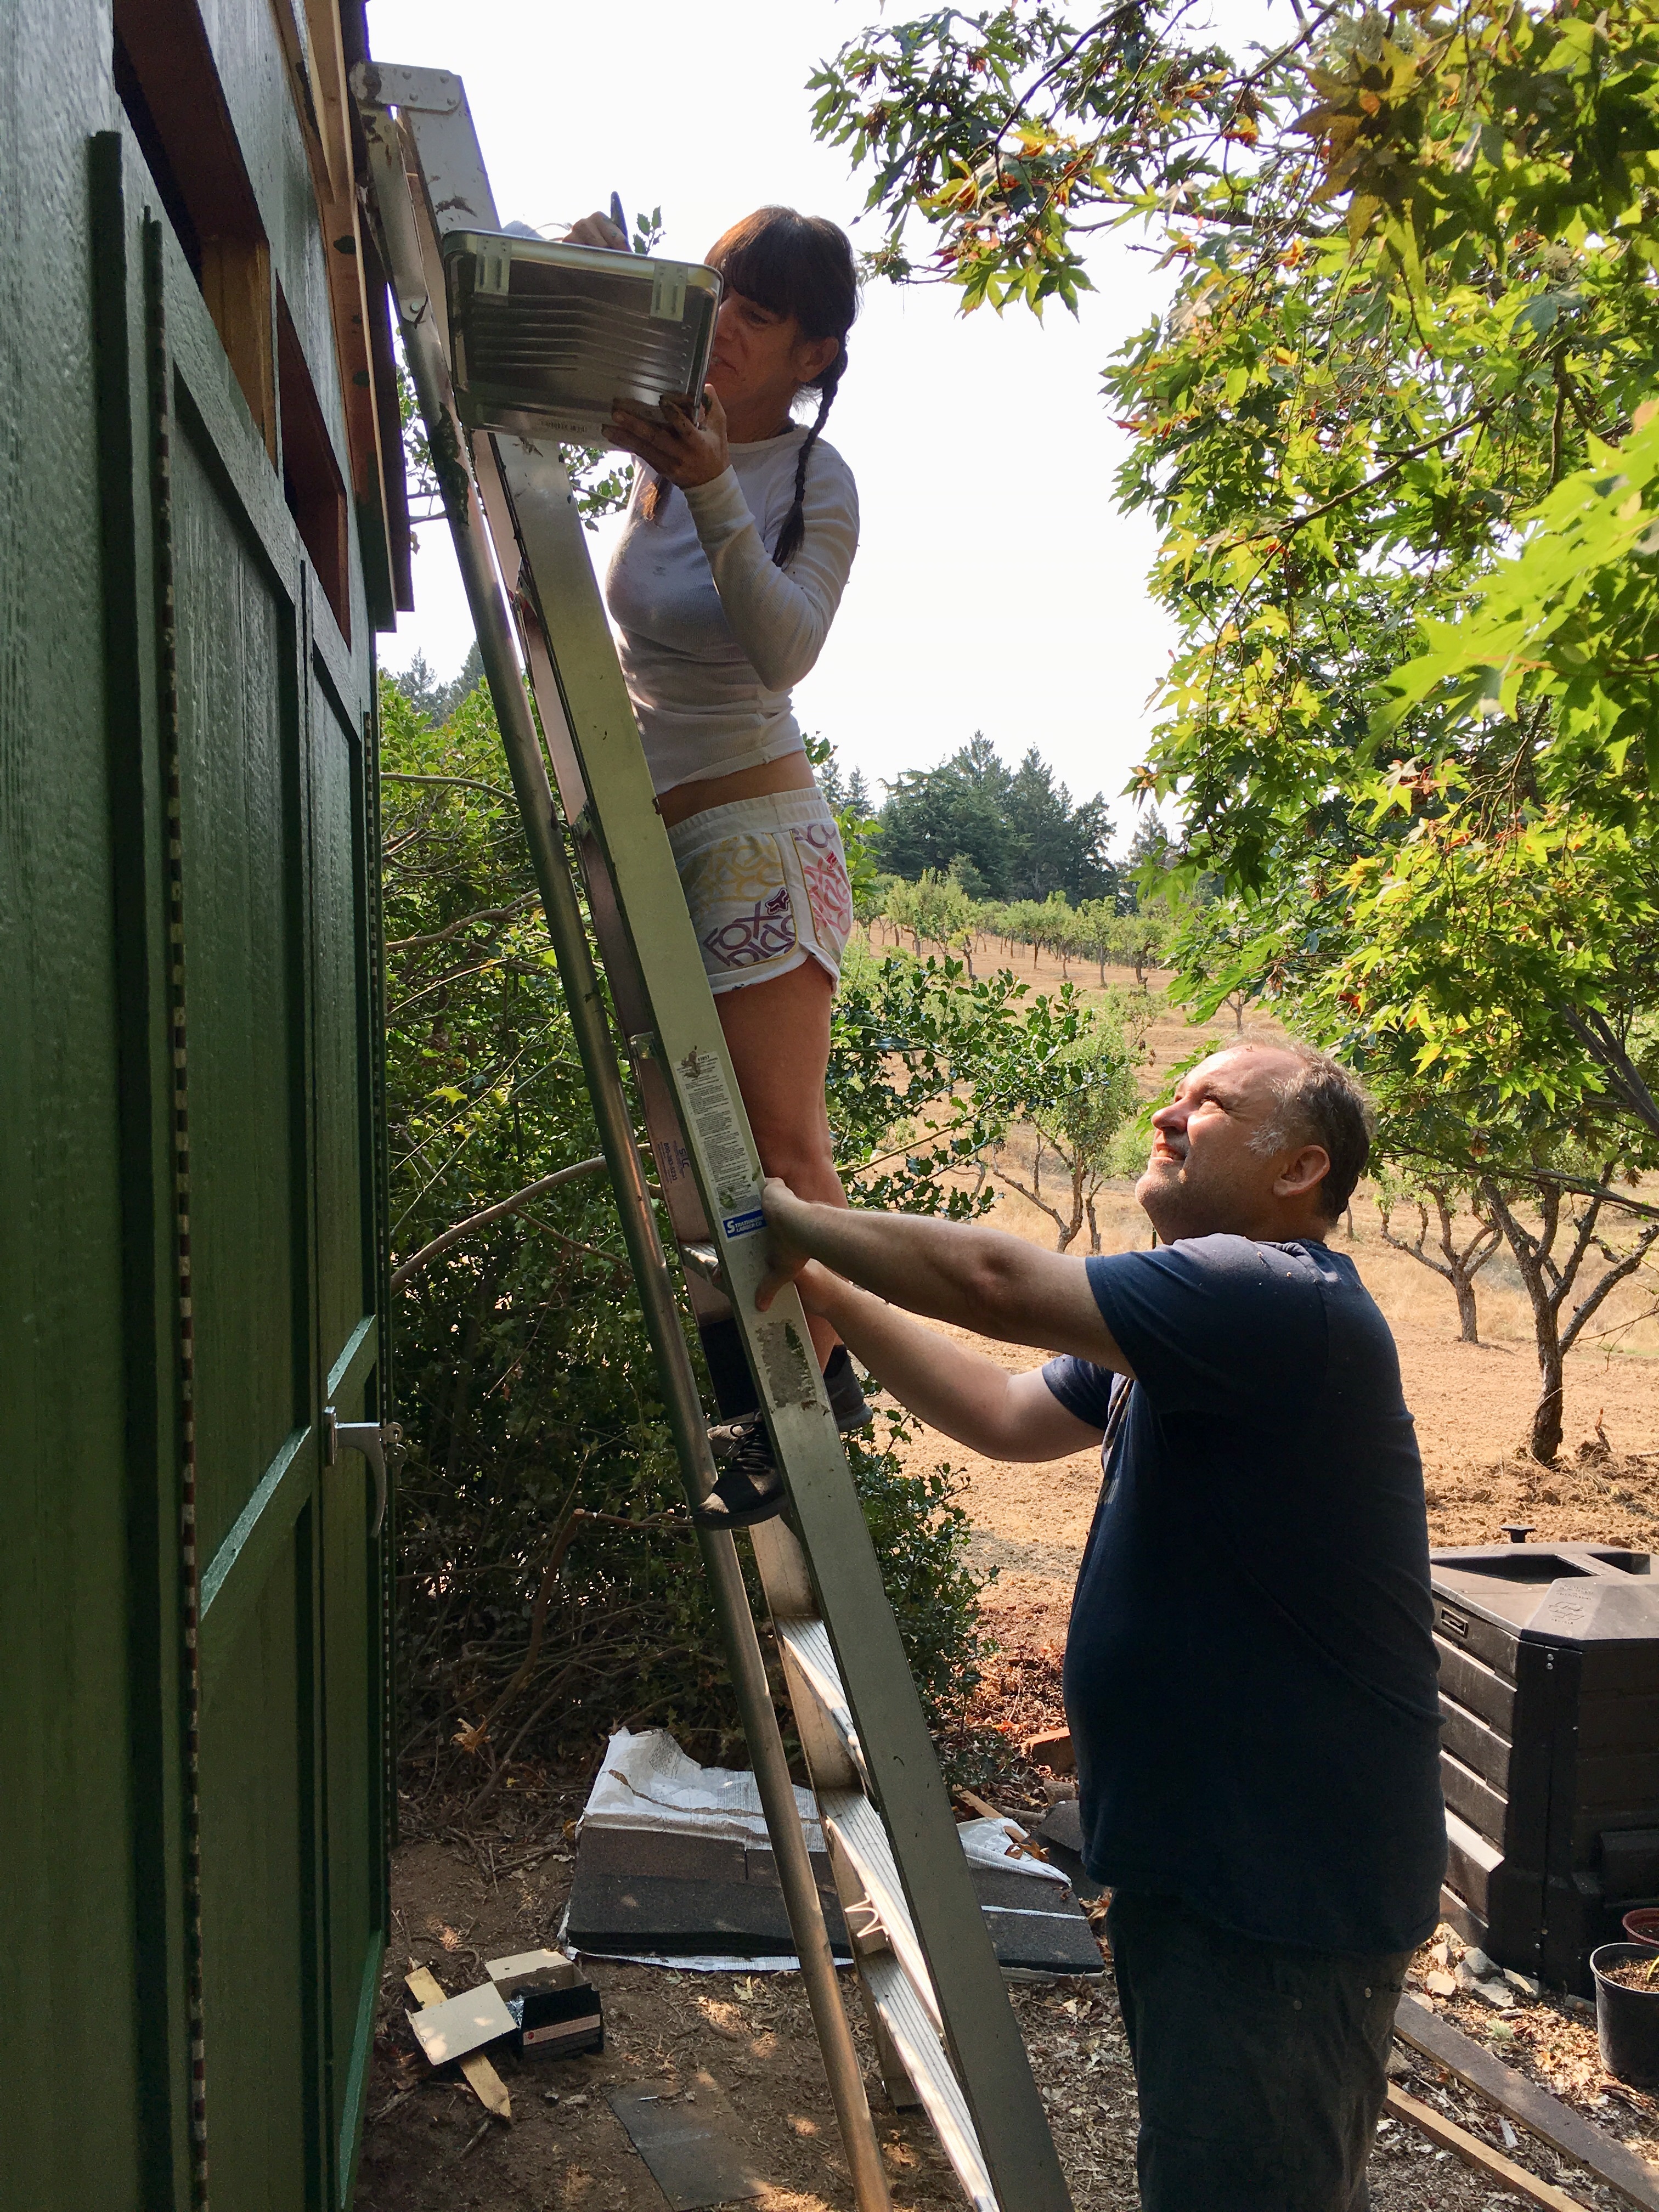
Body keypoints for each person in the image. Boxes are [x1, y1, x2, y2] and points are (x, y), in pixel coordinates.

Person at [756, 1038, 1447, 2212]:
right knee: (1213, 2166)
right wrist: (822, 1286)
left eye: (1210, 1104)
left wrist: (783, 1218)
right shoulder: (1184, 1327)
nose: (1169, 1115)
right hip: (1207, 1854)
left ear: (1301, 1169)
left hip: (1280, 1884)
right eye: (1175, 1095)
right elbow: (1000, 1411)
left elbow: (999, 1283)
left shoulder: (1274, 1297)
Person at [562, 202, 865, 1527]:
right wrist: (592, 279)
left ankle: (821, 1393)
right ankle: (788, 1396)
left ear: (814, 351)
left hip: (757, 842)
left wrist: (711, 488)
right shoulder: (660, 430)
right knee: (691, 1144)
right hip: (656, 838)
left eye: (762, 315)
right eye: (722, 298)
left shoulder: (813, 479)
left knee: (781, 1143)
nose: (728, 328)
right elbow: (534, 386)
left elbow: (787, 647)